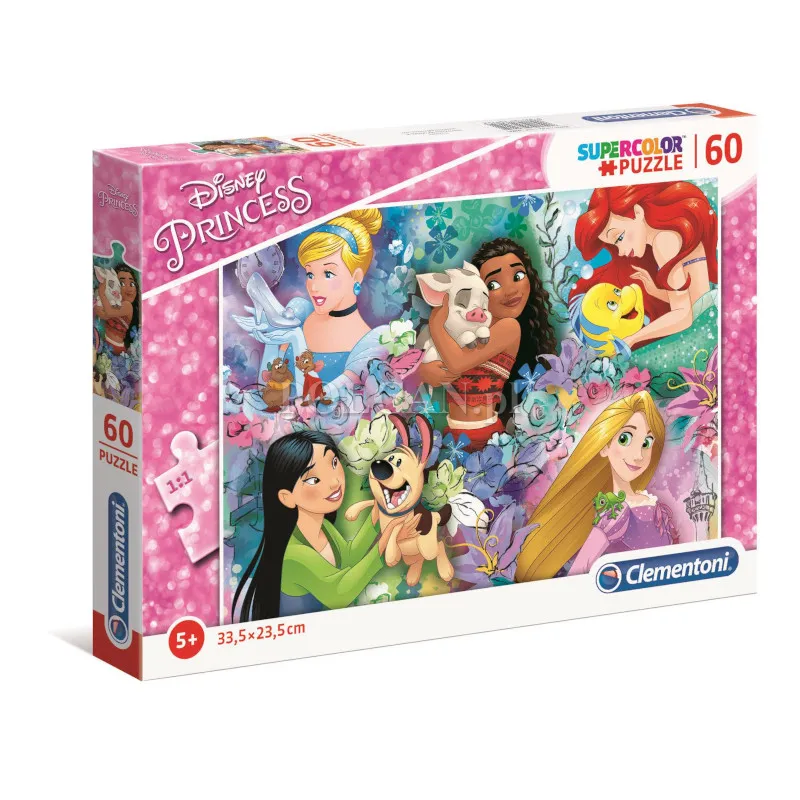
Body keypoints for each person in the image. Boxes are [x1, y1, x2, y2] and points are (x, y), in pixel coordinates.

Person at [232, 431, 398, 621]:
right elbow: (339, 593)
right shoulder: (294, 555)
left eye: (333, 463)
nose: (334, 482)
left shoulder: (324, 528)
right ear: (287, 497)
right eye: (313, 480)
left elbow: (348, 558)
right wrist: (386, 547)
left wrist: (379, 514)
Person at [515, 391, 677, 582]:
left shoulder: (657, 510)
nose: (638, 455)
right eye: (624, 439)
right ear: (604, 446)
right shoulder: (614, 515)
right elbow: (578, 576)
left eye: (646, 443)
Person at [417, 238, 556, 450]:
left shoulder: (509, 328)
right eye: (493, 285)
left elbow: (456, 363)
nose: (511, 290)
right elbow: (442, 365)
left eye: (518, 276)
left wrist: (437, 321)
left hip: (484, 436)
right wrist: (425, 371)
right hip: (453, 434)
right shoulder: (465, 329)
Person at [575, 181, 718, 350]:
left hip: (704, 319)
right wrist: (655, 291)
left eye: (619, 238)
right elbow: (692, 297)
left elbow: (684, 315)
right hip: (705, 314)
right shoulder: (666, 237)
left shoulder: (663, 241)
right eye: (615, 245)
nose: (621, 251)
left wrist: (634, 338)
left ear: (638, 212)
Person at [95, 265, 139, 355]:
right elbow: (102, 314)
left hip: (117, 348)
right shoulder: (113, 304)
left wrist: (102, 294)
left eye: (132, 284)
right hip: (107, 343)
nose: (129, 288)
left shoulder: (128, 306)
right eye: (122, 283)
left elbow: (109, 312)